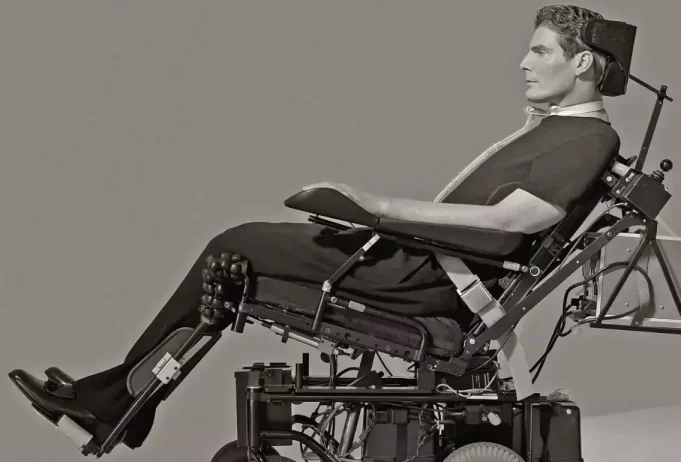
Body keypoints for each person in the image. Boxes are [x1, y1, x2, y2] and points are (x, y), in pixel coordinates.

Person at [9, 4, 621, 452]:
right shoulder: (556, 130)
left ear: (583, 63)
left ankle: (117, 402)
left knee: (234, 246)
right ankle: (126, 400)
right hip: (419, 262)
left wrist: (381, 208)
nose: (523, 62)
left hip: (424, 277)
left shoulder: (589, 137)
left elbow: (518, 221)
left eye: (541, 51)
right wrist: (371, 216)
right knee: (232, 264)